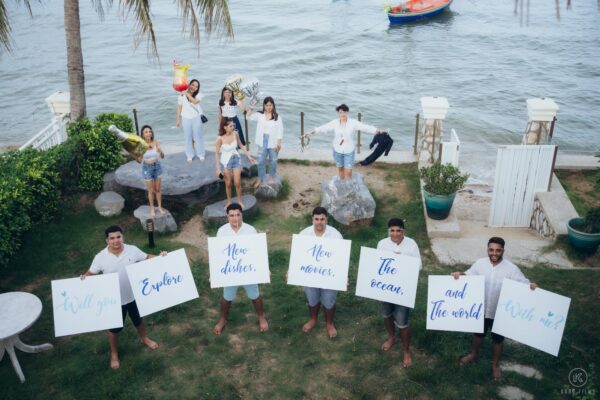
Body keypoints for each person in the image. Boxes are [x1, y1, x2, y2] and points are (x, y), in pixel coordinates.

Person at [80, 225, 166, 369]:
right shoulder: (100, 257)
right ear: (107, 240)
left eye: (118, 237)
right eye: (112, 238)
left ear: (122, 237)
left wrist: (160, 257)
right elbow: (91, 273)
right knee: (114, 329)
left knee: (139, 320)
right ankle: (114, 353)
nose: (116, 241)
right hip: (113, 301)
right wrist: (84, 277)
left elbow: (146, 257)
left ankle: (144, 338)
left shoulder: (132, 249)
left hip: (134, 296)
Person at [451, 237, 537, 381]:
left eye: (498, 250)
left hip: (500, 311)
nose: (494, 253)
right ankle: (473, 354)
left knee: (497, 339)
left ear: (503, 250)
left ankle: (495, 365)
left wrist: (531, 286)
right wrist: (460, 275)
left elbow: (523, 283)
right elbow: (469, 274)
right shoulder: (480, 264)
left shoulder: (511, 268)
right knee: (478, 334)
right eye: (491, 250)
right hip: (482, 309)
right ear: (488, 249)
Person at [213, 203, 269, 335]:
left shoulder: (250, 230)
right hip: (230, 271)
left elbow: (258, 251)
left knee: (254, 294)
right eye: (232, 215)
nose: (235, 218)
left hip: (247, 270)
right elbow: (217, 254)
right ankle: (223, 319)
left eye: (238, 214)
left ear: (241, 215)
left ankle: (261, 317)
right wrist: (215, 274)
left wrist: (264, 269)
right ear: (227, 216)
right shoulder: (222, 231)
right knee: (227, 297)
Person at [376, 218, 421, 368]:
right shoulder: (382, 244)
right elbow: (376, 263)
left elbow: (418, 265)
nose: (395, 234)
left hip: (403, 288)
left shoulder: (411, 244)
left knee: (402, 321)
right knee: (386, 314)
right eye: (392, 230)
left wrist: (401, 261)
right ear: (388, 231)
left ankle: (406, 351)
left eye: (398, 230)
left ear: (403, 231)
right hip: (386, 286)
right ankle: (391, 337)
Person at [304, 104, 384, 181]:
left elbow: (365, 127)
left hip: (349, 151)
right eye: (340, 112)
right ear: (338, 113)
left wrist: (377, 130)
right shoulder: (335, 122)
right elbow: (323, 128)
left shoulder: (353, 123)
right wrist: (310, 133)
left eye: (344, 112)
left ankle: (349, 187)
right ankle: (342, 184)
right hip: (337, 151)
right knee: (341, 169)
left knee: (349, 172)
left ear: (347, 112)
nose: (342, 114)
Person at [299, 207, 343, 338]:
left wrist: (342, 275)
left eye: (322, 219)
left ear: (326, 219)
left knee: (328, 300)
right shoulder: (304, 234)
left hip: (329, 274)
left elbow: (341, 258)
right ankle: (313, 319)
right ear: (312, 219)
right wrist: (292, 271)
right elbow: (298, 256)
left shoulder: (335, 235)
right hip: (310, 274)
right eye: (316, 219)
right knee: (312, 299)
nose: (319, 222)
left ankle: (329, 324)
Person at [215, 117, 256, 209]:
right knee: (228, 184)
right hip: (226, 163)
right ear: (225, 127)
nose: (233, 127)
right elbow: (217, 154)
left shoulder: (235, 134)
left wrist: (249, 157)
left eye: (233, 125)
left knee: (237, 183)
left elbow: (241, 145)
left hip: (236, 159)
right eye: (230, 126)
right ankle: (229, 201)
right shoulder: (220, 138)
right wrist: (218, 168)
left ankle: (239, 201)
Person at [247, 96, 283, 188]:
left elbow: (280, 131)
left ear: (273, 105)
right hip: (262, 140)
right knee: (261, 160)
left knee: (273, 160)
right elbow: (248, 117)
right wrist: (251, 107)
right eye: (267, 105)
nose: (268, 107)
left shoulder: (277, 117)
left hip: (273, 141)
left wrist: (278, 144)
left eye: (270, 105)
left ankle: (272, 176)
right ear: (264, 105)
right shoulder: (260, 115)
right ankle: (260, 178)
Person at [176, 78, 205, 163]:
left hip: (196, 117)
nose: (194, 87)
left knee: (198, 136)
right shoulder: (181, 95)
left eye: (196, 86)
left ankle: (201, 154)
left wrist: (187, 94)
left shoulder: (199, 94)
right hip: (185, 118)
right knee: (188, 137)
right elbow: (179, 107)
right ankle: (189, 155)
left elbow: (195, 102)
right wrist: (178, 119)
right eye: (193, 85)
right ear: (189, 85)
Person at [139, 125, 165, 217]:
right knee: (151, 190)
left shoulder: (156, 142)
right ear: (142, 134)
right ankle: (152, 208)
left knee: (157, 189)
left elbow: (162, 156)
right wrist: (136, 154)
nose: (148, 133)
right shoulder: (141, 145)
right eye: (146, 132)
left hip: (157, 166)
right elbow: (139, 161)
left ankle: (160, 207)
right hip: (147, 168)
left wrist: (160, 151)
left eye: (150, 131)